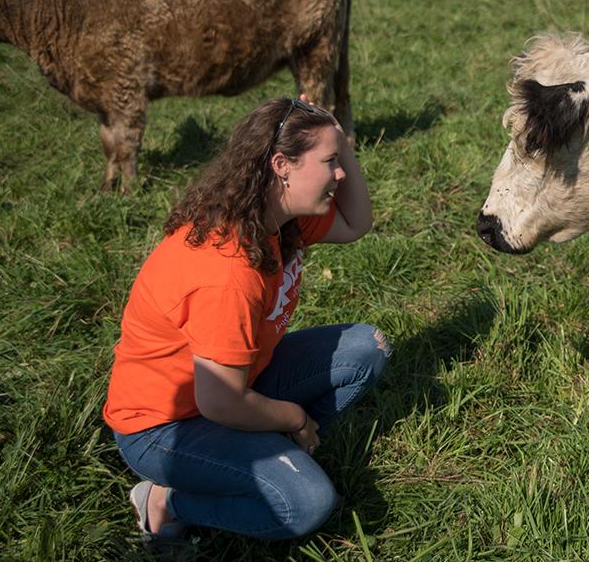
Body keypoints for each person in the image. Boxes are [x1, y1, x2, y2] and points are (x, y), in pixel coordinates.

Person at [103, 96, 391, 543]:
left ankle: (268, 458)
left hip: (231, 385)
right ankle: (164, 502)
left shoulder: (279, 216)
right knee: (308, 503)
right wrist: (293, 417)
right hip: (165, 426)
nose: (340, 174)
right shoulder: (227, 273)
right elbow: (220, 402)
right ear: (282, 164)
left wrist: (341, 142)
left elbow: (356, 223)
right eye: (331, 161)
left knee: (365, 348)